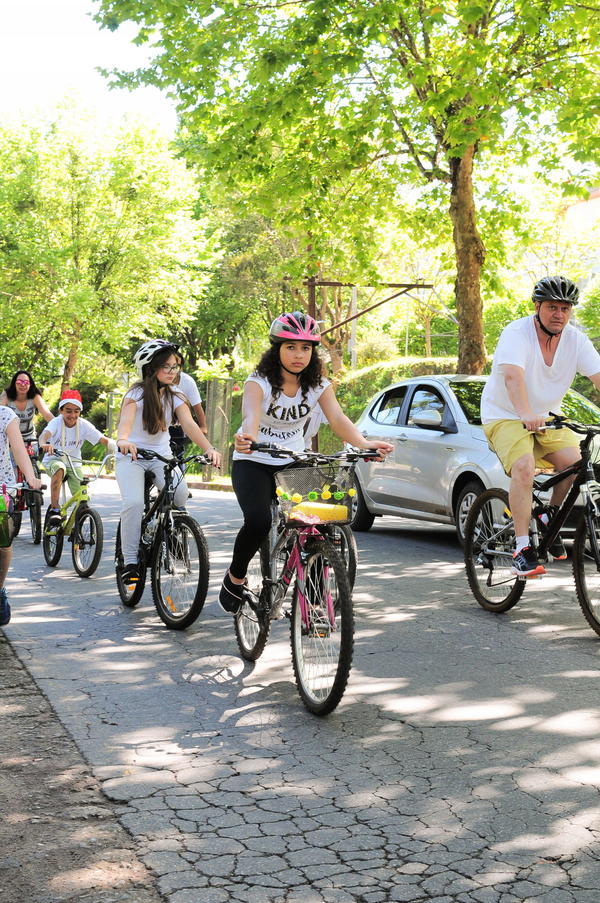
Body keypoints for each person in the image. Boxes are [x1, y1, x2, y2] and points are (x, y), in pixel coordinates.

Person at [218, 311, 393, 614]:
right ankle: (235, 577)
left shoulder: (318, 385)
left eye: (306, 348)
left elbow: (337, 419)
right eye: (291, 347)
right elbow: (251, 415)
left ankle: (313, 602)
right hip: (254, 458)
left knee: (318, 522)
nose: (299, 355)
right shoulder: (258, 381)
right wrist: (247, 436)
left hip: (293, 460)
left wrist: (363, 444)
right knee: (258, 520)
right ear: (277, 349)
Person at [481, 275, 600, 577]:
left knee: (575, 465)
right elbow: (512, 377)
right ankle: (522, 548)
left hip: (546, 416)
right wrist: (524, 413)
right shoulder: (517, 332)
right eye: (552, 307)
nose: (559, 315)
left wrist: (536, 415)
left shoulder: (575, 340)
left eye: (565, 308)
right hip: (505, 414)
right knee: (524, 467)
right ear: (537, 306)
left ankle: (550, 515)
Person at [115, 339, 221, 586]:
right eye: (167, 367)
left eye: (176, 367)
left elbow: (189, 424)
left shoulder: (176, 395)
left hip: (161, 457)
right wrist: (123, 440)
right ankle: (130, 561)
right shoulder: (135, 395)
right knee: (133, 502)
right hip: (132, 456)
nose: (173, 372)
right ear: (150, 368)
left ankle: (170, 533)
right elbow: (125, 424)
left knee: (180, 495)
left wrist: (209, 448)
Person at [39, 390, 117, 526]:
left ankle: (79, 521)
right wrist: (43, 443)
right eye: (68, 411)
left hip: (74, 463)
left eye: (76, 411)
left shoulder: (83, 425)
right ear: (61, 411)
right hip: (54, 460)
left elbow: (102, 439)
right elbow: (44, 435)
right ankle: (55, 509)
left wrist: (117, 447)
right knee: (59, 468)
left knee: (82, 494)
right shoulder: (56, 423)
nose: (72, 415)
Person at [0, 406, 43, 626]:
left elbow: (18, 449)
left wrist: (30, 476)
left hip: (2, 488)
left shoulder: (5, 415)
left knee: (3, 545)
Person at [0, 370, 53, 447]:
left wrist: (61, 427)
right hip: (10, 438)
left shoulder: (35, 397)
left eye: (26, 382)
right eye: (19, 382)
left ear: (30, 385)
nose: (22, 385)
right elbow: (0, 413)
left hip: (30, 438)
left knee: (33, 457)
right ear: (14, 383)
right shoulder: (6, 396)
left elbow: (47, 415)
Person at [169, 365, 209, 458]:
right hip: (156, 428)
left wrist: (203, 426)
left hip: (177, 426)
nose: (171, 370)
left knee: (177, 459)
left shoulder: (187, 382)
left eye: (174, 365)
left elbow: (196, 406)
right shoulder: (148, 385)